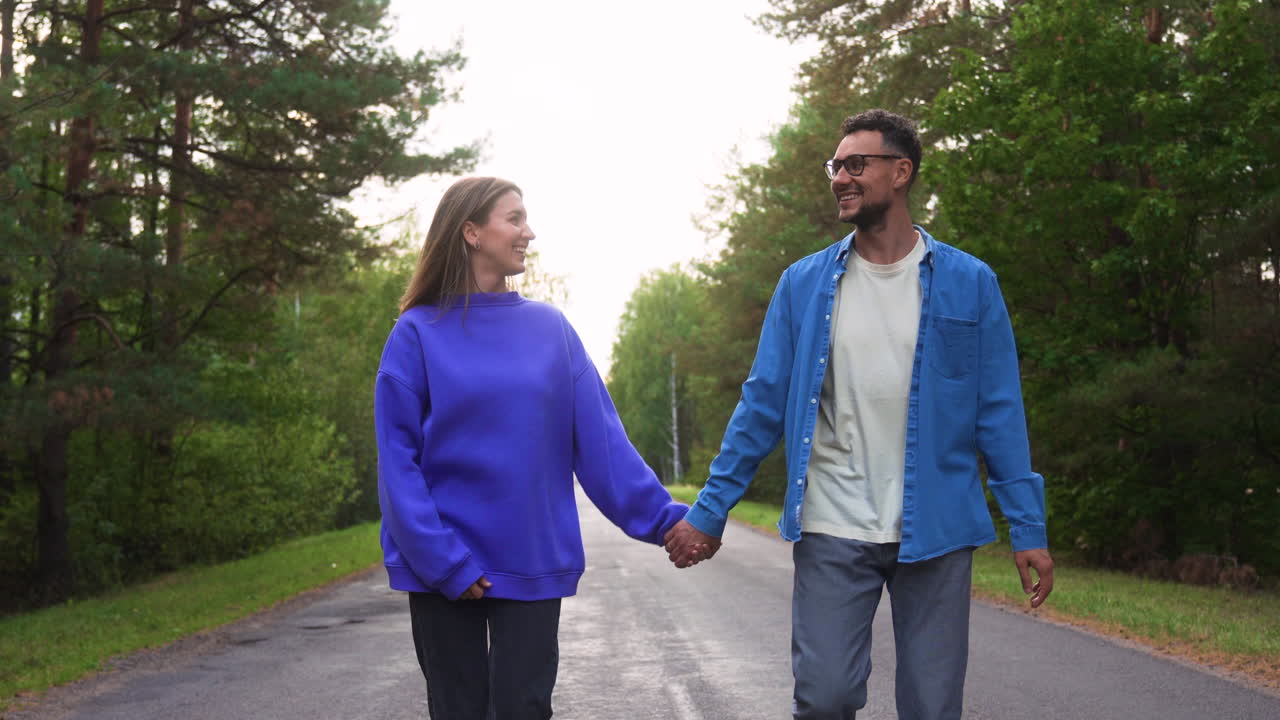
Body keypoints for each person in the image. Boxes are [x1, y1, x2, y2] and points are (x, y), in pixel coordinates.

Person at [663, 109, 1054, 720]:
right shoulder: (803, 284)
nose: (841, 177)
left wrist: (1027, 529)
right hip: (832, 522)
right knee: (825, 698)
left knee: (931, 705)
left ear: (901, 172)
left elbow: (998, 411)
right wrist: (711, 509)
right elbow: (762, 403)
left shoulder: (970, 283)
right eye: (835, 166)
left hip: (938, 528)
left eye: (856, 164)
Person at [374, 176, 690, 720]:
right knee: (458, 710)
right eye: (514, 219)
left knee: (524, 707)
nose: (529, 232)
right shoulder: (416, 332)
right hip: (441, 561)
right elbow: (398, 462)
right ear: (471, 232)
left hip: (531, 553)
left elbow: (602, 445)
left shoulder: (551, 329)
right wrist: (441, 560)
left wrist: (668, 521)